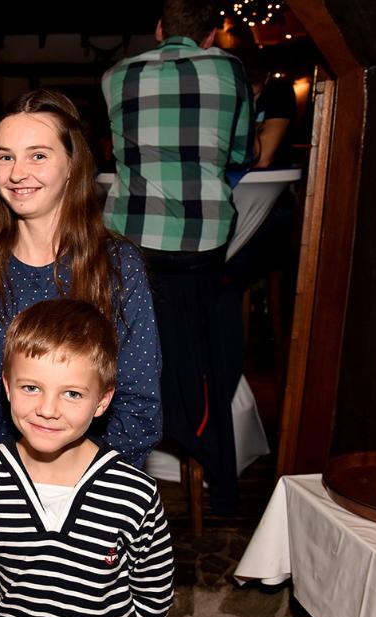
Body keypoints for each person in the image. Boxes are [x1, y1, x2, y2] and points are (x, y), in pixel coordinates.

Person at [0, 90, 161, 467]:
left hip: (91, 484)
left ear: (72, 163)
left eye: (38, 156)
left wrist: (73, 482)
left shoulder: (117, 267)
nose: (17, 173)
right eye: (6, 157)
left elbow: (139, 408)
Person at [0, 299, 174, 617]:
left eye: (72, 394)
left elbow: (153, 593)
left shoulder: (134, 494)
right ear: (7, 386)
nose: (48, 409)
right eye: (31, 387)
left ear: (102, 401)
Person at [102, 0, 253, 512]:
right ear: (210, 36)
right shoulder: (229, 70)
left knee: (134, 339)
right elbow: (240, 154)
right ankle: (215, 461)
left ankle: (128, 447)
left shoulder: (117, 76)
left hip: (132, 247)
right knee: (211, 341)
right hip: (200, 249)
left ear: (159, 28)